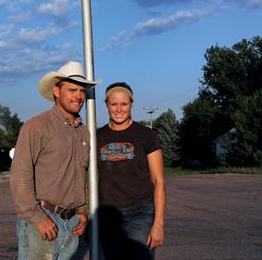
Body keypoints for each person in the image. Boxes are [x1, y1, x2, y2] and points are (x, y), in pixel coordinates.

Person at [10, 61, 100, 259]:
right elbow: (20, 176)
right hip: (42, 220)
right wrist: (36, 217)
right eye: (72, 90)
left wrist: (83, 211)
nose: (79, 96)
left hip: (72, 223)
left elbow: (84, 176)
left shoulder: (84, 132)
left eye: (82, 91)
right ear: (56, 91)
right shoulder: (36, 126)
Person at [97, 82, 166, 260]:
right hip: (108, 216)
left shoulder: (146, 135)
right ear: (106, 104)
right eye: (113, 104)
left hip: (141, 214)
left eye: (124, 104)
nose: (119, 109)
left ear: (131, 104)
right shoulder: (97, 137)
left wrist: (158, 224)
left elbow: (159, 181)